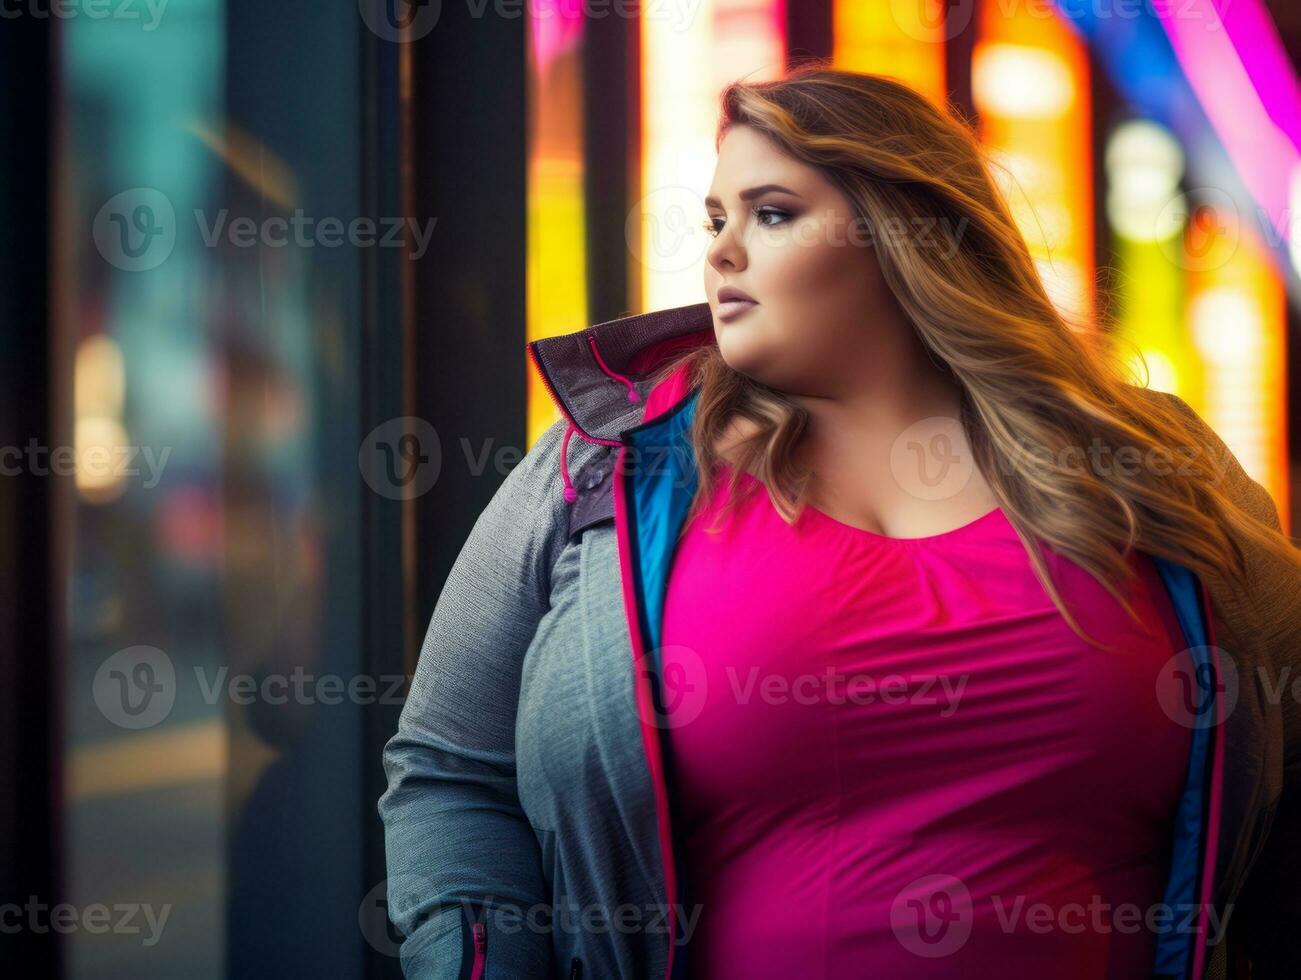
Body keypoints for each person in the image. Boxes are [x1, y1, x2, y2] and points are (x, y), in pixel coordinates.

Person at [378, 66, 1301, 979]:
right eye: (716, 219)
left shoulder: (1154, 473)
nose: (721, 253)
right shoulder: (604, 464)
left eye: (771, 213)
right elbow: (452, 774)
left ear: (907, 238)